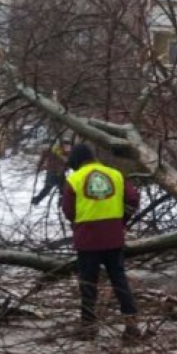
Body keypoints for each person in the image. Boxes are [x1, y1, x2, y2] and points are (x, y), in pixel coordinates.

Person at [61, 143, 143, 342]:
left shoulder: (75, 179)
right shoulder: (115, 175)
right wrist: (121, 221)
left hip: (87, 240)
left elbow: (68, 211)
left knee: (88, 284)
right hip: (113, 239)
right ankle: (132, 325)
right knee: (119, 281)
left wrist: (79, 223)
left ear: (77, 162)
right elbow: (133, 198)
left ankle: (89, 327)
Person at [31, 141, 69, 205]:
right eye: (66, 145)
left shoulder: (64, 152)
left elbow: (68, 162)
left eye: (67, 146)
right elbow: (44, 156)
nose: (67, 147)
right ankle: (36, 200)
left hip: (58, 172)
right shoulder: (53, 150)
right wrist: (40, 166)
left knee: (62, 189)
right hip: (53, 172)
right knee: (50, 188)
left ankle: (37, 200)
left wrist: (40, 165)